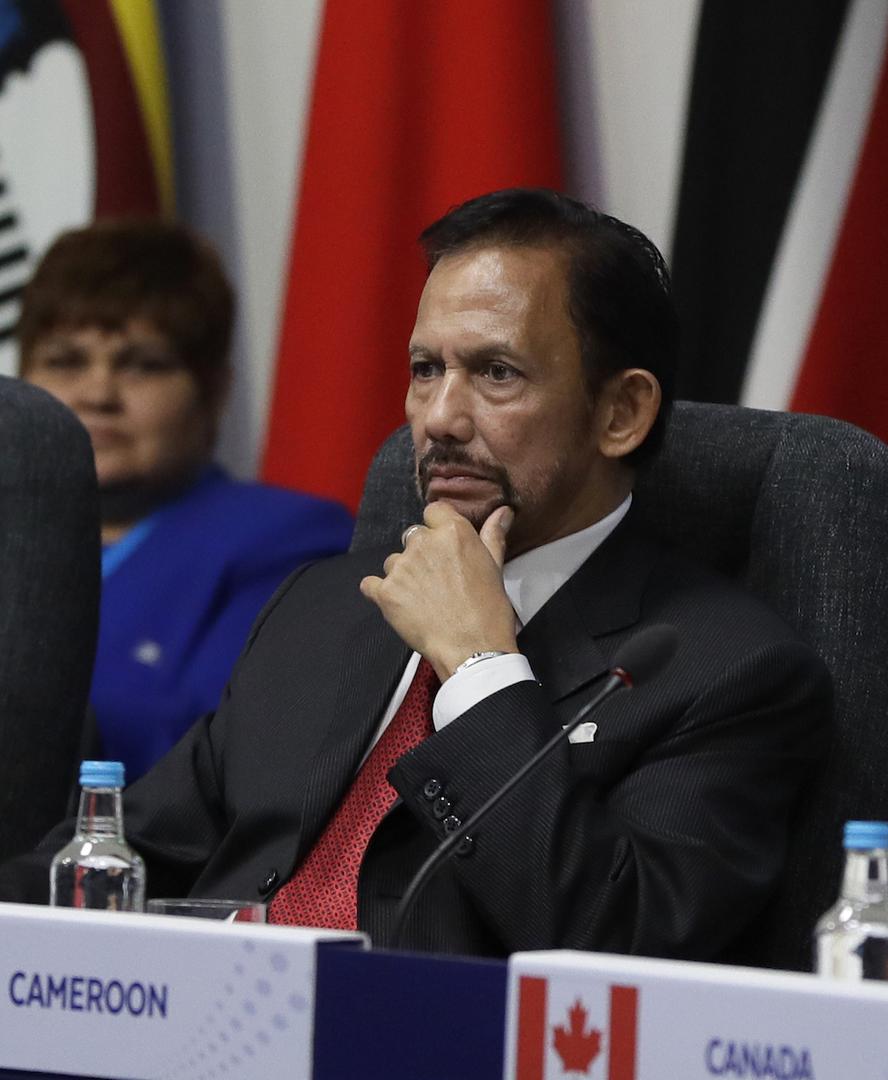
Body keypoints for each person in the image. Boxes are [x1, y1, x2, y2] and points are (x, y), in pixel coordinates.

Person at [1, 191, 831, 960]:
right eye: (426, 369)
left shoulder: (726, 672)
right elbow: (114, 859)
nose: (438, 420)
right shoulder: (327, 605)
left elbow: (618, 946)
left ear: (622, 412)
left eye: (496, 373)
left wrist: (479, 669)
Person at [17, 220, 353, 782]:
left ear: (214, 391)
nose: (98, 394)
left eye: (143, 364)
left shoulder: (290, 544)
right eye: (66, 361)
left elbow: (219, 764)